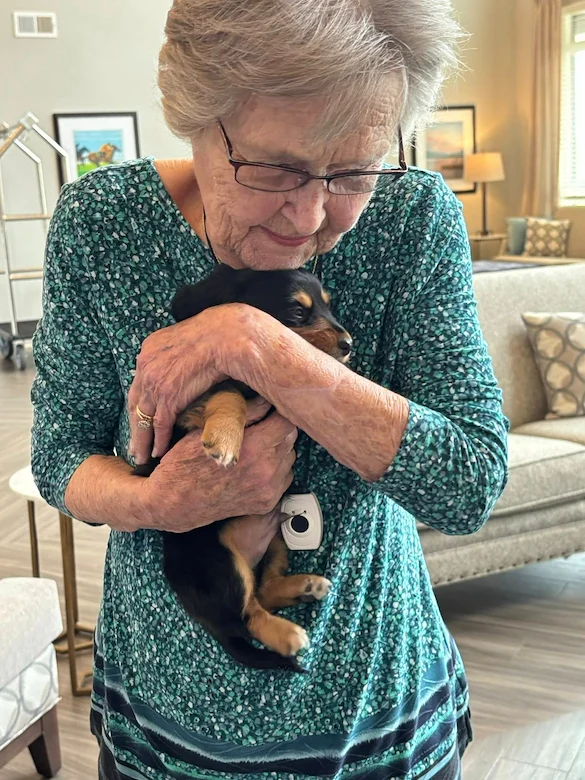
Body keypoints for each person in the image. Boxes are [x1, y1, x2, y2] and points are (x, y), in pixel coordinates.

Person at [30, 0, 509, 777]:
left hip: (373, 716)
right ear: (195, 118)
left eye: (352, 172)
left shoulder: (411, 218)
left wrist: (252, 341)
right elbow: (58, 457)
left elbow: (468, 483)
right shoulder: (101, 224)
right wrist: (159, 503)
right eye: (276, 169)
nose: (312, 216)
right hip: (164, 719)